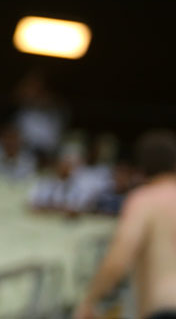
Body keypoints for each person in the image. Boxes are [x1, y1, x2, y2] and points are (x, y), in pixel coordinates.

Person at [74, 130, 176, 319]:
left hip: (166, 307)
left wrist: (89, 301)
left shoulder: (146, 199)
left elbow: (119, 258)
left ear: (142, 169)